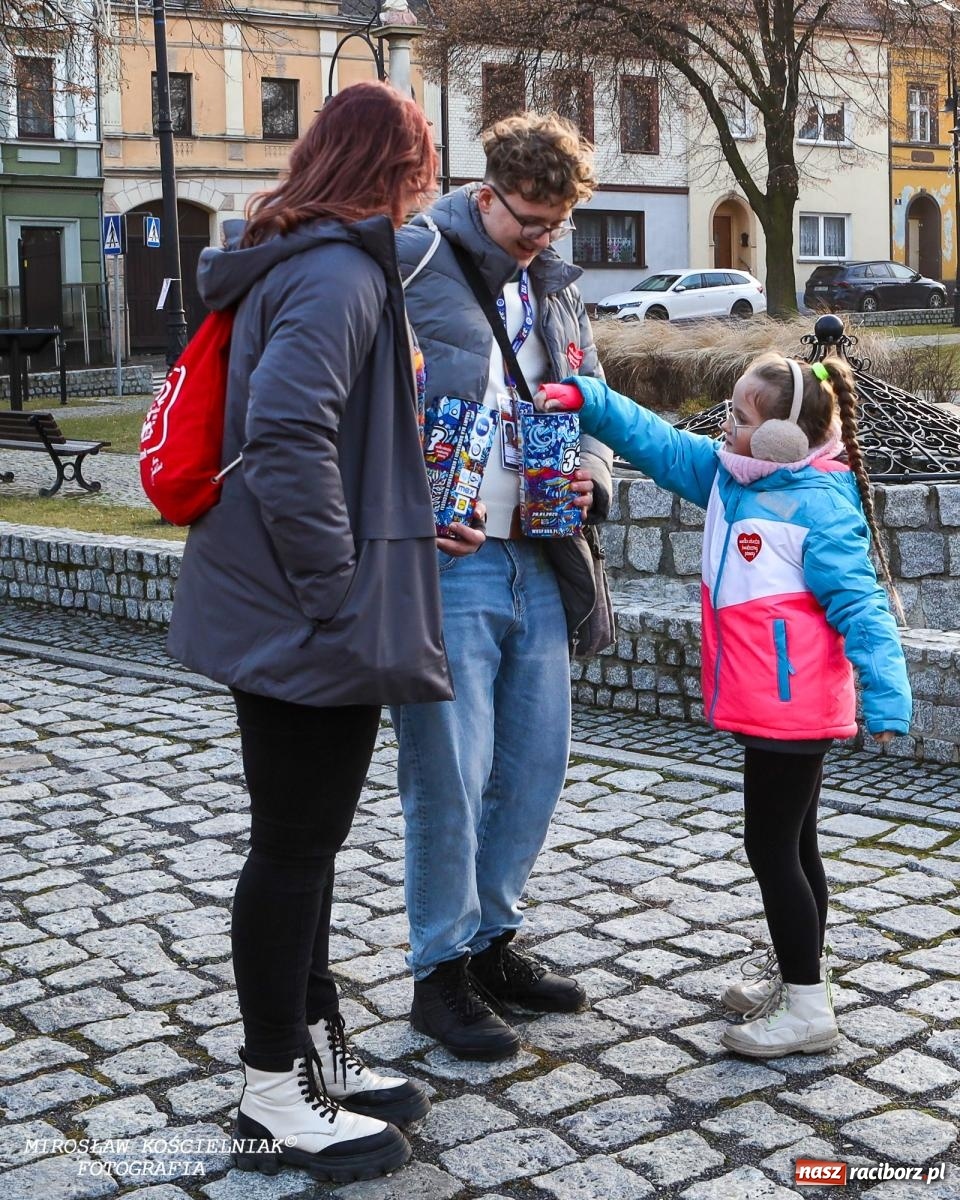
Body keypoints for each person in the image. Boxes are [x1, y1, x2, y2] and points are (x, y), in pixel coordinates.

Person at [166, 82, 484, 1182]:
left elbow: (334, 439)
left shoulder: (319, 261)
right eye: (424, 154)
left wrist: (396, 529)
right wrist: (340, 582)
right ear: (388, 164)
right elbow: (289, 430)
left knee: (305, 844)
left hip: (288, 599)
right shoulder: (341, 272)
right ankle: (272, 1094)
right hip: (305, 609)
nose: (433, 173)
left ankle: (314, 1058)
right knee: (295, 850)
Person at [537, 351, 912, 1058]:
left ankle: (806, 1006)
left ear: (782, 440)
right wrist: (589, 397)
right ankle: (798, 971)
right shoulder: (732, 478)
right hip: (770, 704)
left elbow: (863, 608)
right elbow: (657, 440)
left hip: (791, 707)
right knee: (795, 845)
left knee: (771, 847)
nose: (723, 429)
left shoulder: (817, 506)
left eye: (739, 420)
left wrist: (887, 700)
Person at [392, 112, 614, 1061]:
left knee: (532, 768)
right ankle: (438, 974)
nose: (542, 238)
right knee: (449, 772)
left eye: (557, 224)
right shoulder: (409, 259)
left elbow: (591, 402)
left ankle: (492, 943)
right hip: (449, 561)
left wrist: (593, 481)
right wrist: (403, 505)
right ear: (486, 194)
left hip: (544, 552)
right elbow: (364, 403)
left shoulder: (557, 286)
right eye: (529, 220)